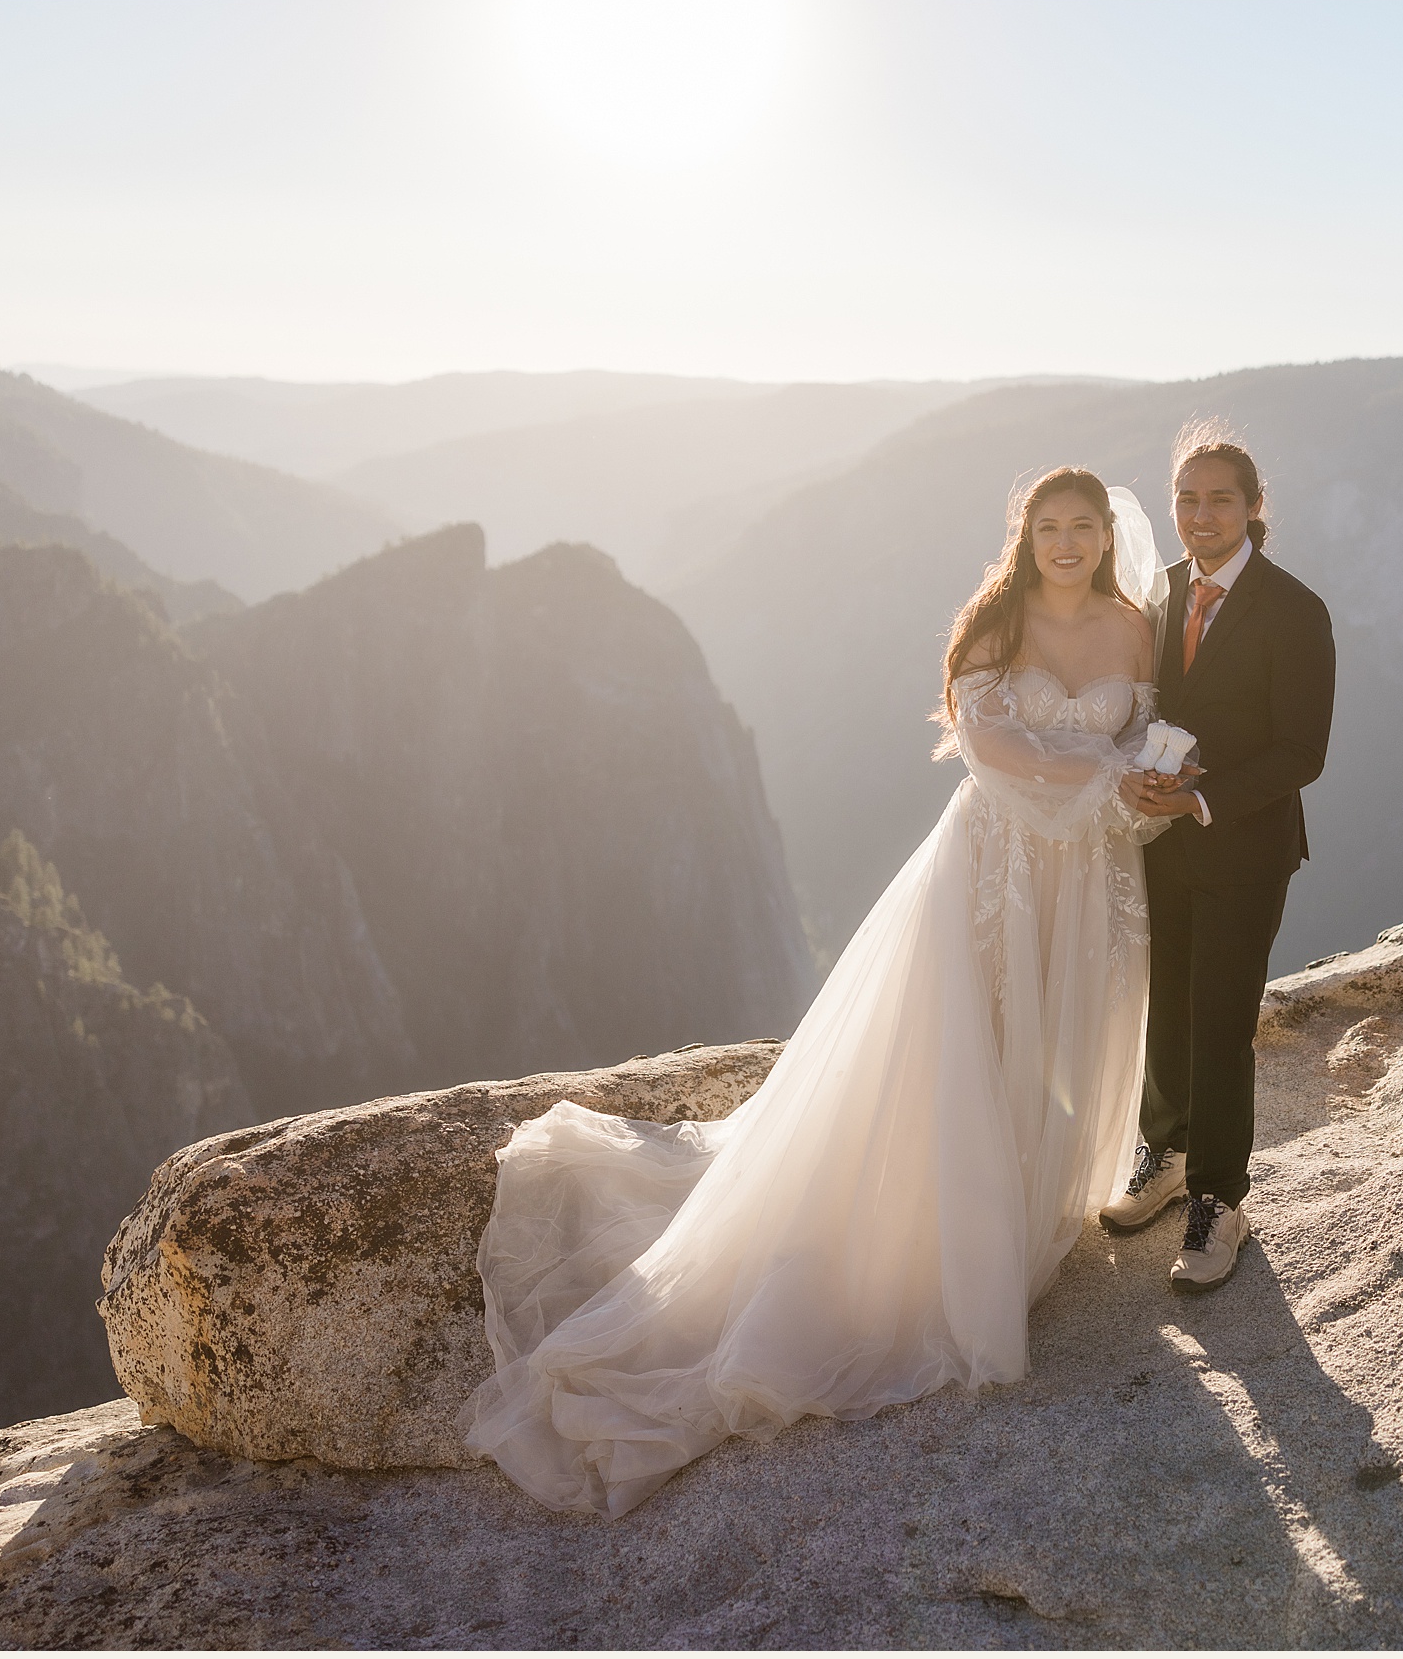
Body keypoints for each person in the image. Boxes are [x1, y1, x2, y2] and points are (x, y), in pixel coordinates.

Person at [462, 467, 1173, 1517]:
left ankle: (1023, 1217)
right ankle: (953, 1249)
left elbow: (1139, 740)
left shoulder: (1131, 628)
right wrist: (1107, 775)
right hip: (991, 871)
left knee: (1055, 1040)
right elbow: (991, 744)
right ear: (1024, 536)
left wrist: (1152, 777)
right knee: (966, 1044)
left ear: (1105, 537)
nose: (1067, 541)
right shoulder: (996, 622)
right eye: (1049, 526)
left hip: (1084, 878)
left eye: (1083, 527)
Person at [1101, 422, 1337, 1292]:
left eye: (1220, 500)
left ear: (1253, 508)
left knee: (1222, 1019)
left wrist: (1203, 796)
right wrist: (1137, 780)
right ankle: (1165, 1153)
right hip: (1157, 840)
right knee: (1167, 1000)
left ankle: (1219, 1199)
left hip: (1244, 845)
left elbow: (1301, 751)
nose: (1201, 515)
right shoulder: (1156, 596)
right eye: (1187, 499)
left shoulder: (1295, 610)